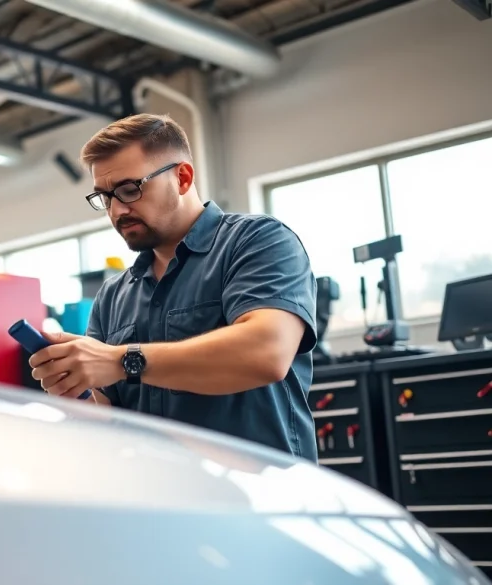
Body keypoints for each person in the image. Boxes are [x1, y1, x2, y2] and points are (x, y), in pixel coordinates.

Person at [29, 113, 319, 462]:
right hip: (160, 502)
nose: (117, 209)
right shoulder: (112, 296)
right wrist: (73, 392)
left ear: (182, 178)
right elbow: (108, 416)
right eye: (105, 197)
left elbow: (266, 352)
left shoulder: (258, 242)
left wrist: (123, 360)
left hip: (260, 501)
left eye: (129, 188)